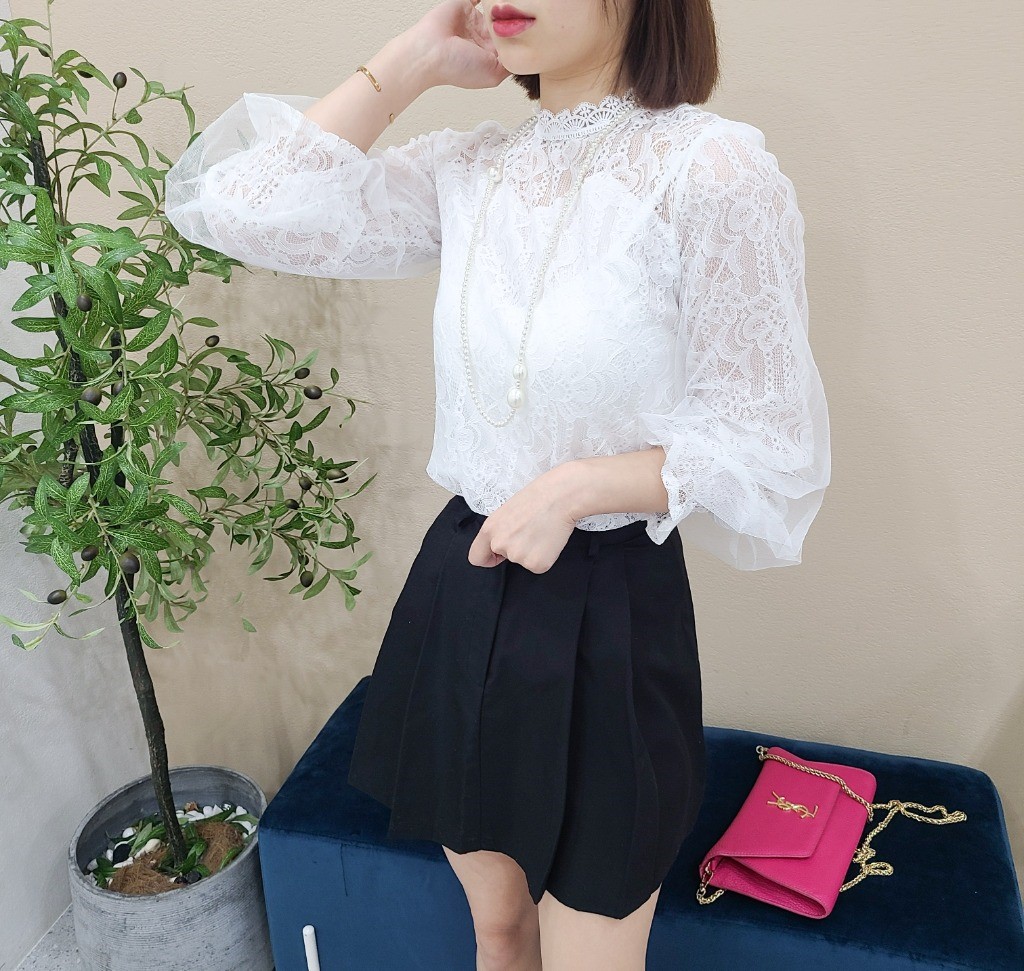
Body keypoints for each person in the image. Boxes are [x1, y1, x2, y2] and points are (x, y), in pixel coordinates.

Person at [163, 0, 831, 966]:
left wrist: (578, 486)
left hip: (612, 606)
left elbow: (767, 438)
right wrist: (409, 61)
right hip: (465, 588)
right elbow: (238, 208)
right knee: (498, 928)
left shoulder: (712, 168)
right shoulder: (471, 168)